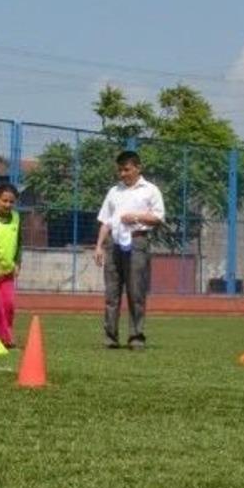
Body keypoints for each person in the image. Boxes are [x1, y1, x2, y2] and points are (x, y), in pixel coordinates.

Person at [93, 150, 165, 350]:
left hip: (137, 243)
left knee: (136, 293)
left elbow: (158, 217)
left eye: (126, 169)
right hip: (113, 245)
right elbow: (105, 221)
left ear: (138, 168)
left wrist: (136, 217)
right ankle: (110, 338)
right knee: (111, 293)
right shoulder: (114, 191)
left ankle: (136, 337)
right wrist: (99, 246)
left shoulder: (150, 190)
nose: (122, 174)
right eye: (120, 170)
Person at [0, 183, 22, 347]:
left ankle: (6, 335)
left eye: (11, 202)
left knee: (9, 305)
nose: (8, 204)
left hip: (8, 271)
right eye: (4, 201)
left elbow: (19, 242)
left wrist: (18, 262)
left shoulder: (16, 217)